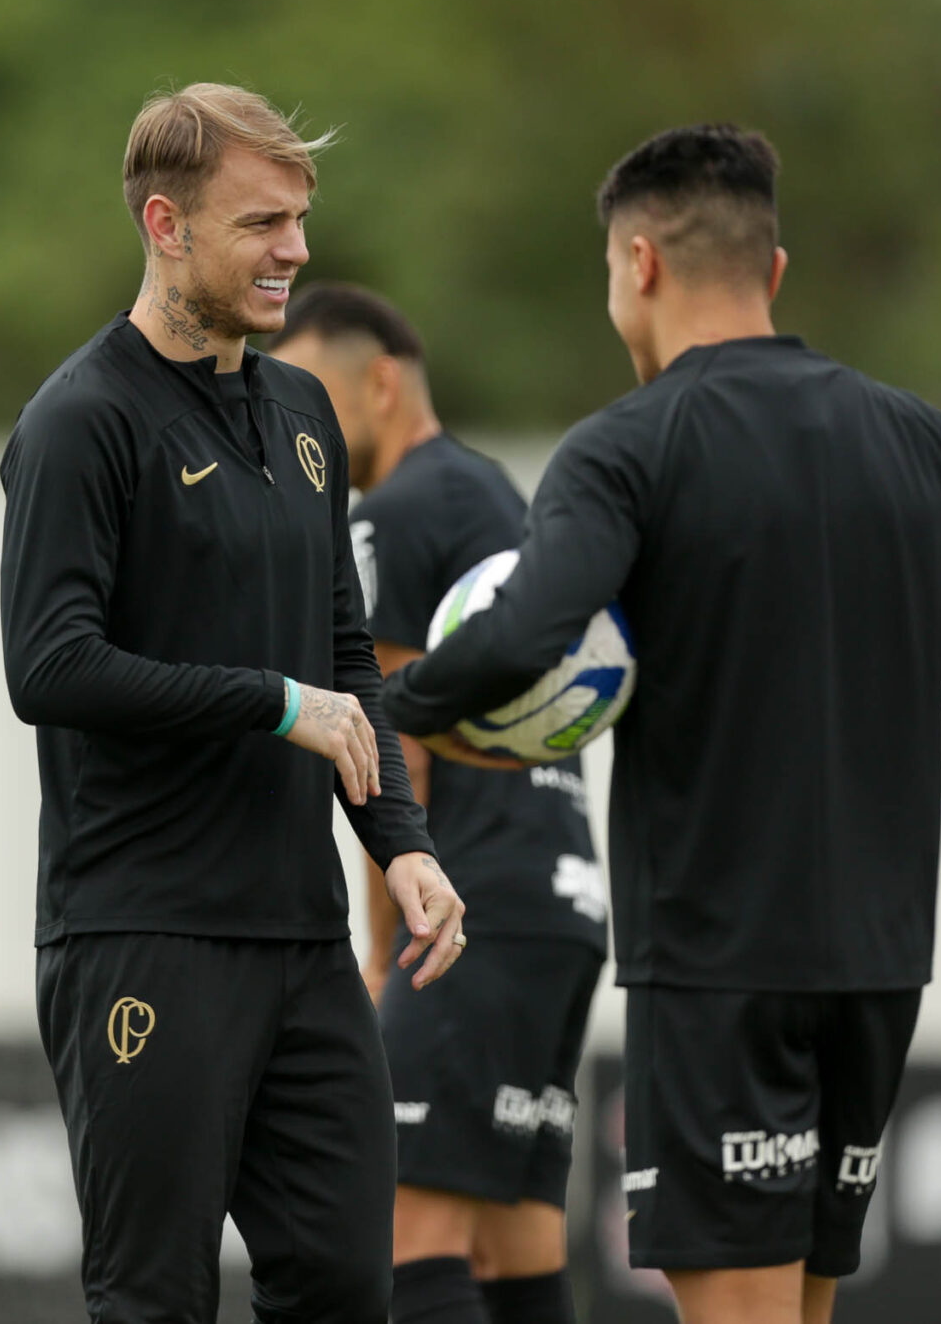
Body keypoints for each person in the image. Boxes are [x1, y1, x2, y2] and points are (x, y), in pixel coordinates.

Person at [382, 124, 941, 1324]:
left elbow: (527, 635)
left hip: (718, 966)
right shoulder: (925, 448)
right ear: (771, 271)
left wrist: (384, 706)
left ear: (636, 264)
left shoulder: (624, 450)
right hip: (879, 968)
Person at [0, 82, 468, 1324]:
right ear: (165, 224)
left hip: (305, 946)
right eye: (262, 223)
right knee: (152, 1300)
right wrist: (269, 705)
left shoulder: (305, 413)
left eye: (301, 220)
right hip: (144, 933)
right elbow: (46, 669)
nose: (297, 252)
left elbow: (346, 665)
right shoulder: (78, 421)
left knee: (342, 1292)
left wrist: (403, 846)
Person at [270, 284, 604, 1324]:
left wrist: (380, 947)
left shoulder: (395, 513)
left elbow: (388, 737)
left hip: (470, 908)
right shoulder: (489, 492)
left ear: (380, 383)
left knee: (406, 1231)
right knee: (514, 1244)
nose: (300, 429)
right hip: (561, 904)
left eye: (313, 399)